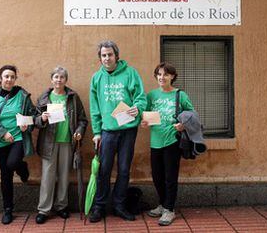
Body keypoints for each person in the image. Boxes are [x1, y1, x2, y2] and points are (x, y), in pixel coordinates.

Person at [88, 40, 147, 222]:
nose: (107, 58)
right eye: (103, 55)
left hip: (128, 129)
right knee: (103, 170)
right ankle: (99, 206)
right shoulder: (96, 78)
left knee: (123, 169)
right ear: (100, 58)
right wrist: (97, 132)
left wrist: (137, 107)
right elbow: (95, 108)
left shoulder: (130, 73)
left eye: (110, 54)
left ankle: (119, 206)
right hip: (107, 131)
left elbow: (141, 97)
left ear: (116, 55)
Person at [141, 62, 194, 226]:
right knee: (157, 177)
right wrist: (144, 122)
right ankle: (163, 204)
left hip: (172, 141)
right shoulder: (151, 95)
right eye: (159, 74)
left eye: (165, 74)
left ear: (172, 76)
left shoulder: (180, 95)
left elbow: (191, 113)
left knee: (170, 177)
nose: (162, 77)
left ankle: (169, 210)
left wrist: (183, 124)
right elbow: (146, 114)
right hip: (155, 141)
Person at [0, 65, 36, 225]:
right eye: (6, 76)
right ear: (0, 78)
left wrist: (27, 125)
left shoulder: (22, 95)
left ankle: (22, 168)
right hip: (1, 140)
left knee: (12, 163)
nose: (9, 79)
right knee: (5, 174)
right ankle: (8, 209)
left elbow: (32, 114)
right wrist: (3, 133)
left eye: (12, 76)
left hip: (18, 138)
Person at [34, 66, 88, 224]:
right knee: (47, 177)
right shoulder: (44, 97)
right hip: (48, 142)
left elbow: (82, 120)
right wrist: (42, 118)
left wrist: (79, 132)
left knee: (64, 175)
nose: (59, 80)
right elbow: (35, 120)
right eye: (56, 77)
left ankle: (61, 206)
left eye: (62, 77)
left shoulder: (72, 97)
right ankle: (44, 210)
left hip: (67, 142)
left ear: (66, 80)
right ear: (51, 79)